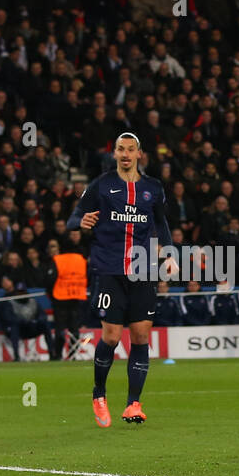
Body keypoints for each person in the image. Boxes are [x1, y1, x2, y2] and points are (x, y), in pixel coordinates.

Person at [68, 132, 170, 425]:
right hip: (110, 270)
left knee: (140, 336)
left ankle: (133, 404)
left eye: (131, 149)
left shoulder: (153, 188)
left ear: (139, 154)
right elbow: (74, 218)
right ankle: (99, 393)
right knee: (111, 336)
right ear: (114, 154)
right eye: (120, 149)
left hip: (143, 270)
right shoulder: (102, 185)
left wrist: (170, 252)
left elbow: (161, 223)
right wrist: (82, 222)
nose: (126, 154)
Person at [0, 275, 56, 361]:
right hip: (20, 329)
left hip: (32, 327)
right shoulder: (10, 303)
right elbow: (9, 318)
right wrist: (22, 321)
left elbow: (42, 315)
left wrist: (36, 321)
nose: (21, 294)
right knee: (14, 328)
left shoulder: (33, 301)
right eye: (19, 292)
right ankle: (16, 356)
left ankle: (52, 353)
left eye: (23, 292)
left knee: (45, 325)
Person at [47, 242, 88, 359]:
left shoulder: (58, 260)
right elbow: (88, 275)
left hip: (59, 298)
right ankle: (72, 355)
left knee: (60, 329)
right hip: (76, 297)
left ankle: (58, 355)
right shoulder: (81, 259)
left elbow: (50, 279)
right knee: (74, 328)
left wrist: (51, 294)